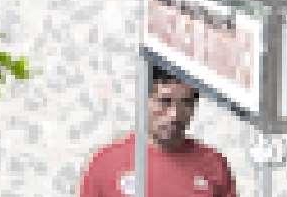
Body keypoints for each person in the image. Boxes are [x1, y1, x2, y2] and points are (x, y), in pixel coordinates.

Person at [79, 65, 237, 196]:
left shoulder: (215, 165)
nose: (175, 114)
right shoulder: (106, 164)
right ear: (143, 100)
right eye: (165, 101)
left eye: (186, 102)